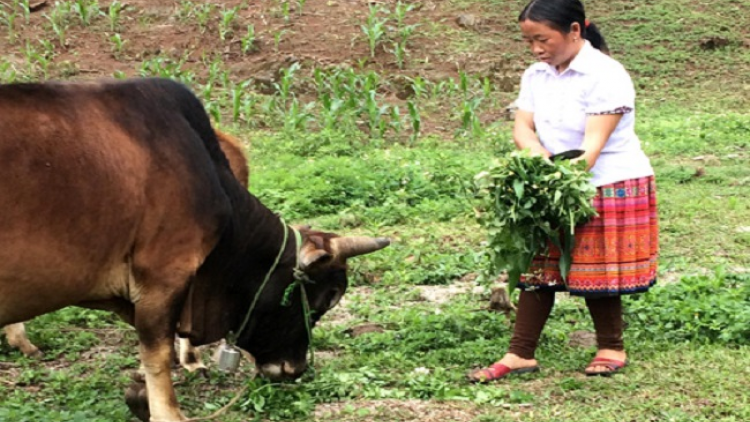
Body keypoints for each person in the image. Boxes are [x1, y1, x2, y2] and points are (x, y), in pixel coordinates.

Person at [468, 0, 659, 382]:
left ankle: (610, 346)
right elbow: (523, 127)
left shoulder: (606, 74)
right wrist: (535, 156)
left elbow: (592, 146)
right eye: (529, 41)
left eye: (543, 39)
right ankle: (520, 353)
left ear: (574, 30)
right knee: (537, 264)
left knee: (596, 266)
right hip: (554, 180)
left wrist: (555, 178)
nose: (537, 49)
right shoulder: (536, 75)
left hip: (607, 180)